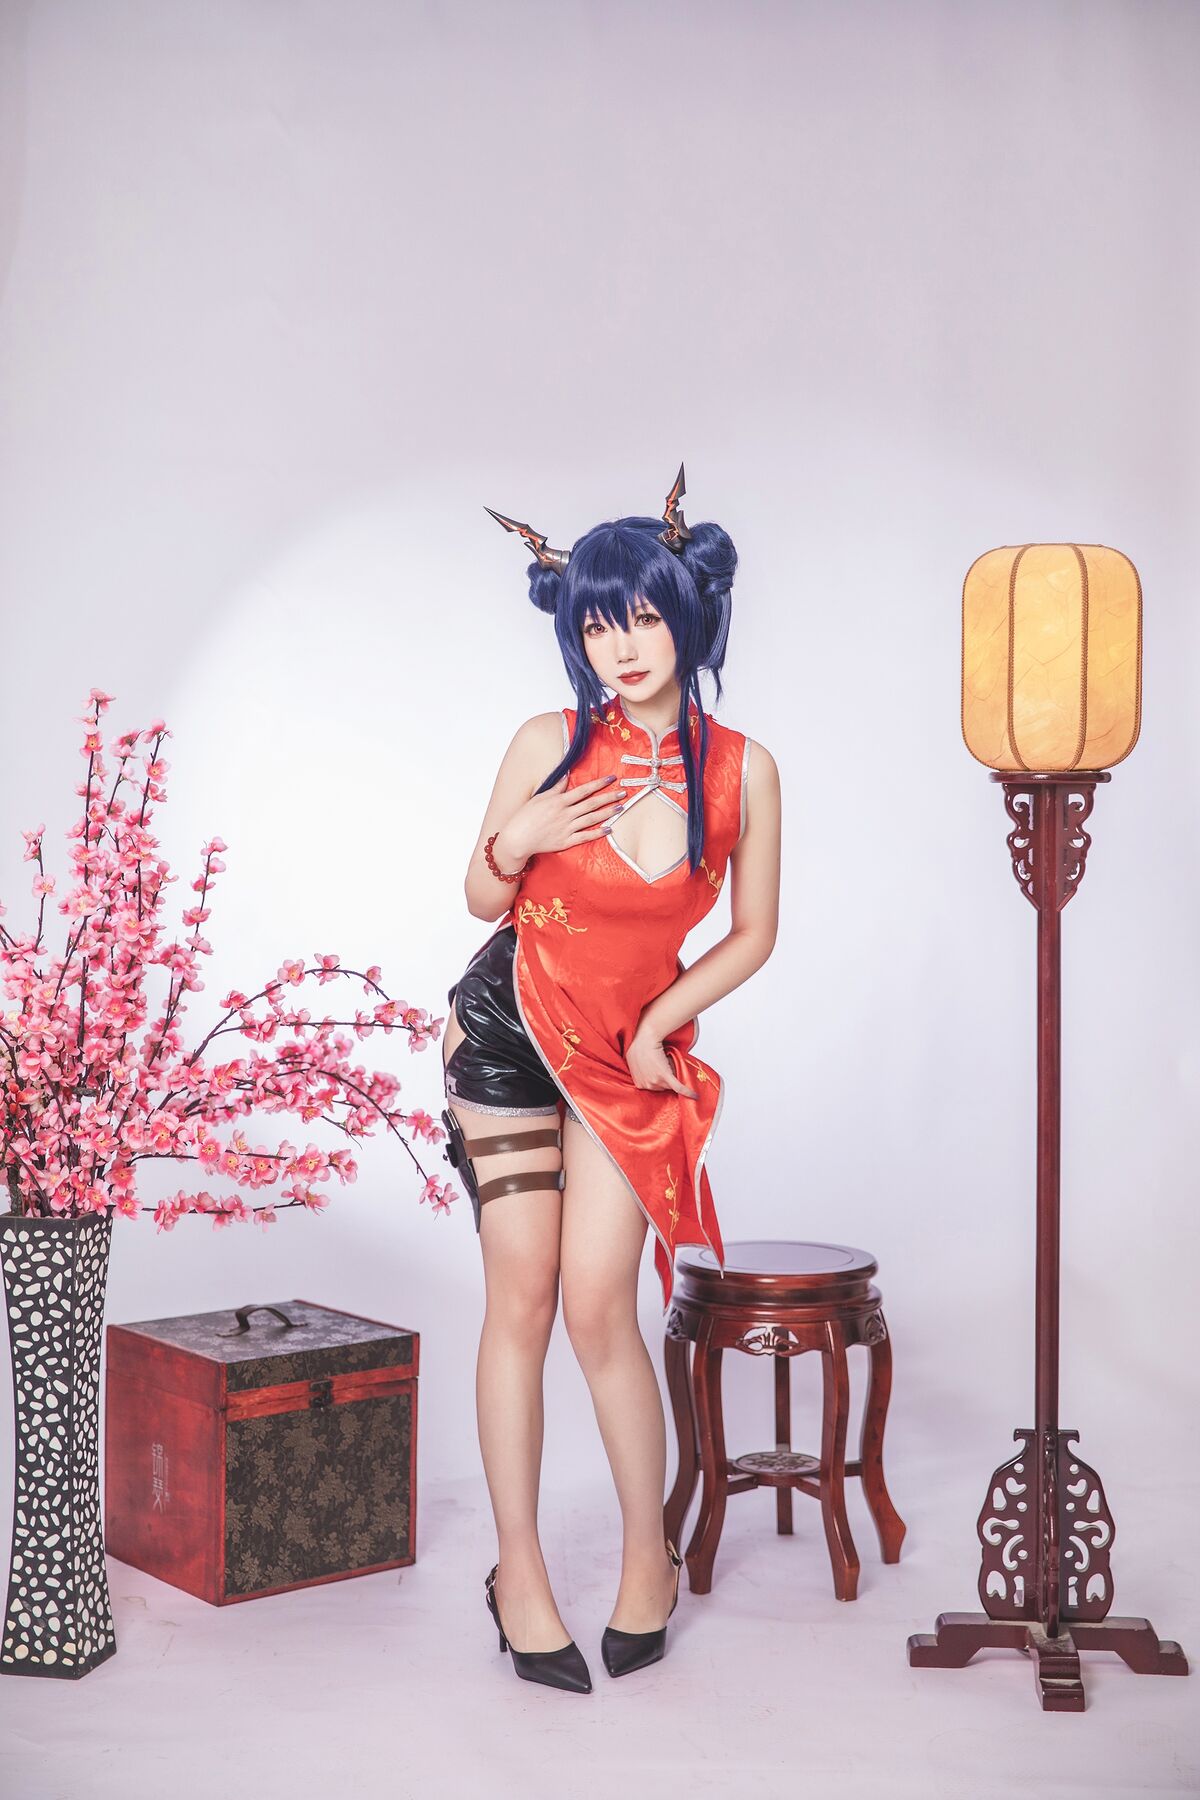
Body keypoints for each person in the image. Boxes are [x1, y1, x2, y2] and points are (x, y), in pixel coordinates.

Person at [441, 466, 781, 1693]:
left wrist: (660, 1029)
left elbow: (752, 935)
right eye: (595, 625)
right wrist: (519, 837)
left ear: (686, 613)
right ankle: (520, 1574)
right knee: (522, 1300)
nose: (620, 648)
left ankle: (651, 1556)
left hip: (621, 1049)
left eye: (639, 617)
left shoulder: (743, 770)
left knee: (599, 1306)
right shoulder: (550, 742)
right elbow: (479, 895)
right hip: (506, 1029)